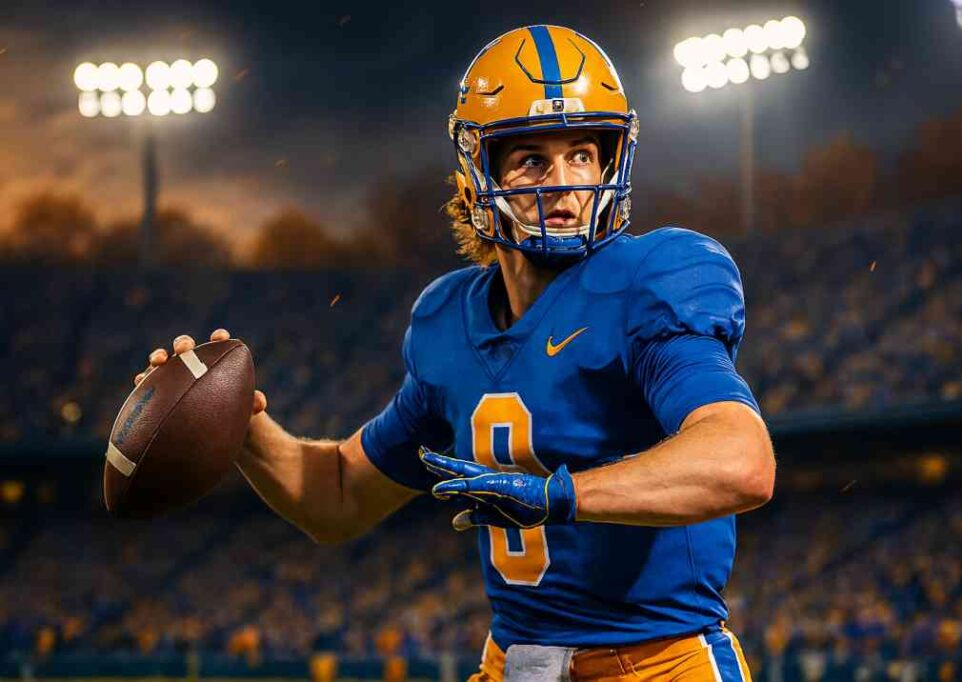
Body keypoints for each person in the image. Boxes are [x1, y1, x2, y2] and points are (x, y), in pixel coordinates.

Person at [136, 25, 775, 681]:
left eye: (583, 153)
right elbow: (336, 497)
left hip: (657, 664)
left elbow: (741, 460)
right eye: (532, 160)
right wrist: (237, 424)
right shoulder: (448, 324)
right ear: (478, 174)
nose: (565, 183)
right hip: (514, 665)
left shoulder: (652, 278)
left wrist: (558, 494)